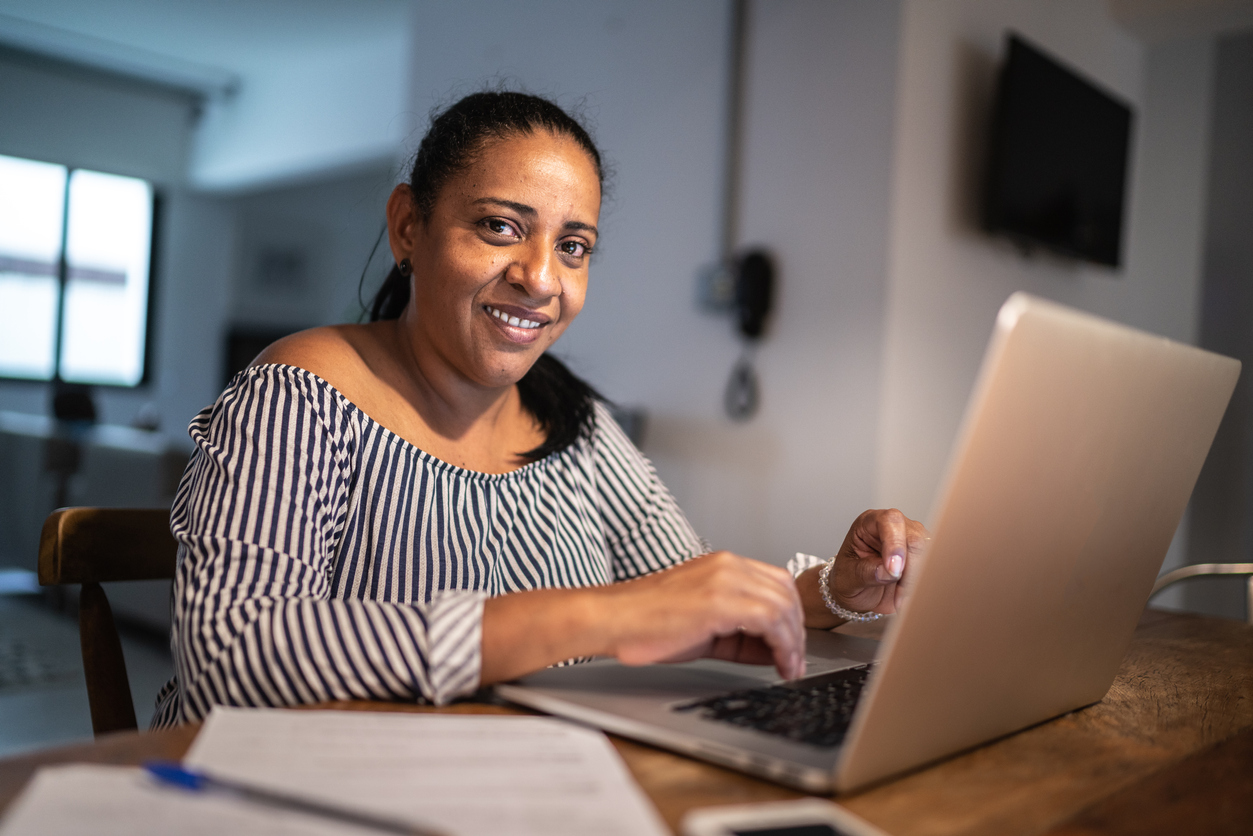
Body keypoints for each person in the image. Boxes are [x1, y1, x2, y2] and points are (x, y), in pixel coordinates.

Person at [153, 91, 927, 727]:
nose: (540, 277)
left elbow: (682, 596)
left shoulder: (574, 423)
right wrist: (597, 616)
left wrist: (836, 591)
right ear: (408, 226)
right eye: (499, 227)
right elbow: (232, 654)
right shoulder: (298, 394)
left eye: (573, 246)